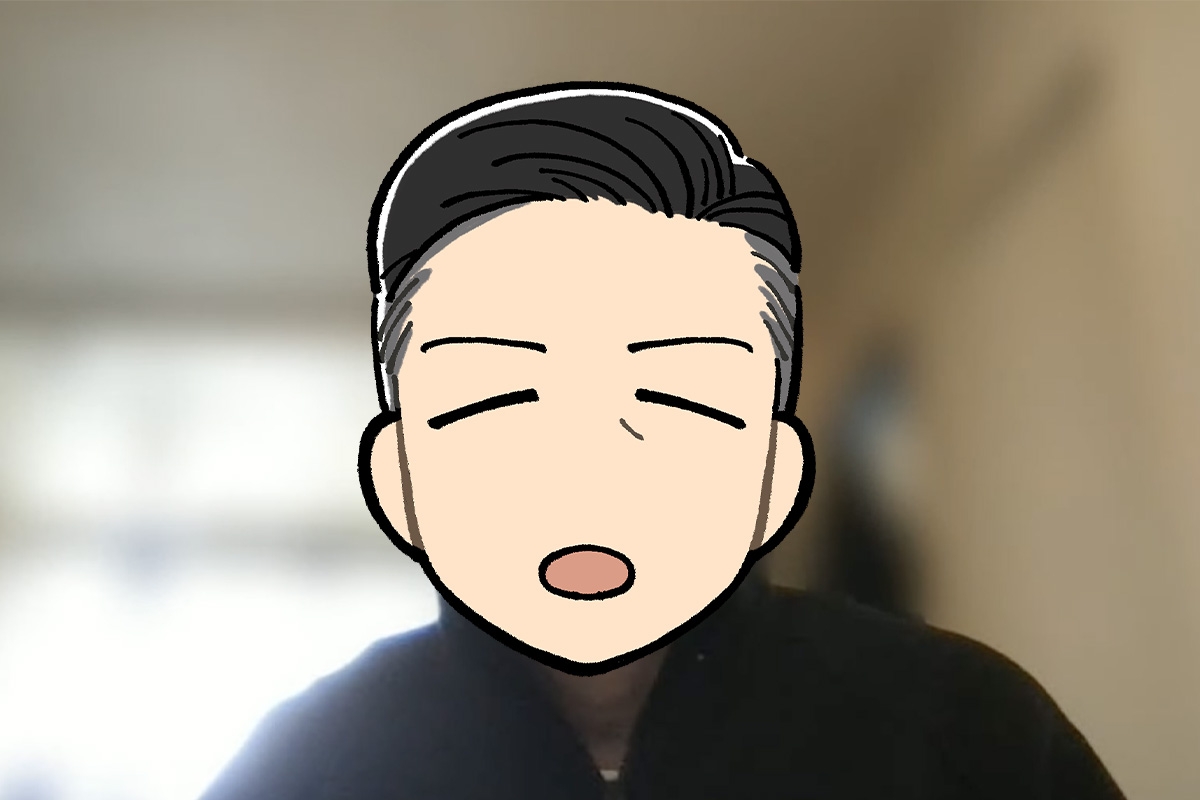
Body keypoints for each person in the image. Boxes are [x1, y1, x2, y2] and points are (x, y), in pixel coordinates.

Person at [200, 83, 1126, 799]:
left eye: (677, 394)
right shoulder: (306, 767)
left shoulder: (971, 732)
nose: (589, 468)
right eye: (499, 397)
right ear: (397, 475)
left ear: (775, 473)